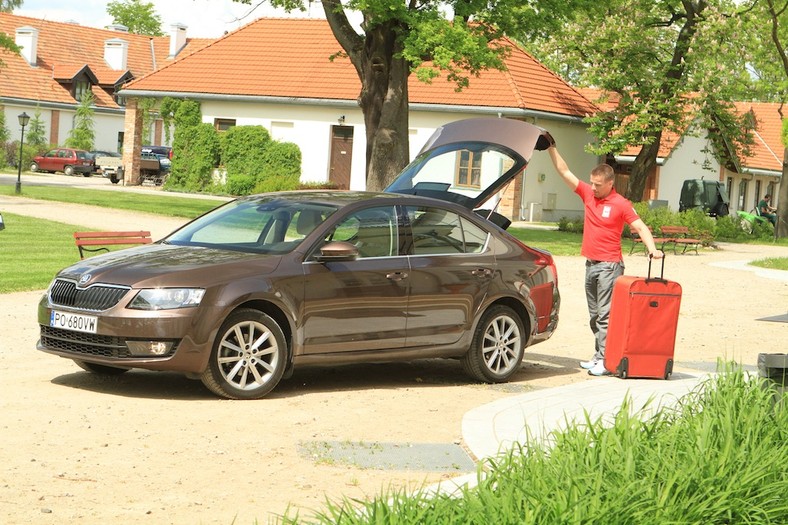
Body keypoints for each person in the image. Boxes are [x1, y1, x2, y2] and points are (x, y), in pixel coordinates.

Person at [544, 142, 663, 376]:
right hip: (591, 264)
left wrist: (652, 249)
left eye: (598, 185)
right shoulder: (588, 194)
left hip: (610, 266)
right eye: (592, 183)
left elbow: (639, 226)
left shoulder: (621, 203)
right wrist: (551, 148)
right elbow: (564, 171)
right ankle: (599, 355)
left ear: (611, 183)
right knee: (595, 315)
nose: (593, 188)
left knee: (606, 315)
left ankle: (607, 361)